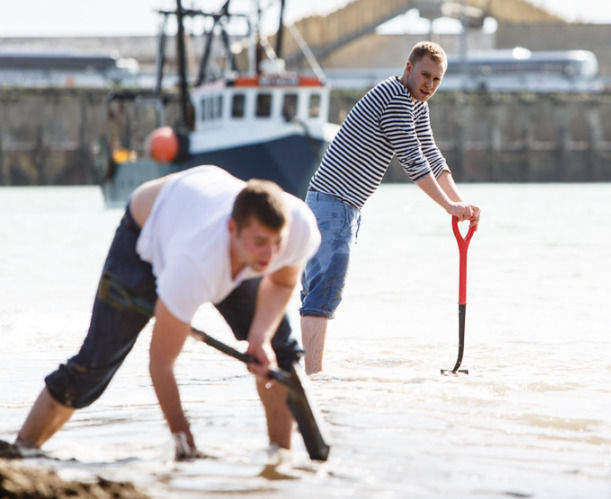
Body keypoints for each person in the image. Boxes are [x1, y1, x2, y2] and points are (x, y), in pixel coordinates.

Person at [14, 165, 321, 459]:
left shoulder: (298, 230)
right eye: (260, 242)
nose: (270, 254)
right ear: (234, 230)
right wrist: (184, 440)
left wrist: (260, 336)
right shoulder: (194, 265)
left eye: (276, 243)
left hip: (204, 213)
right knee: (96, 363)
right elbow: (161, 364)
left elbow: (281, 281)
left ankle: (279, 465)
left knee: (279, 355)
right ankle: (20, 452)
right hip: (147, 230)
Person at [299, 41, 481, 374]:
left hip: (340, 207)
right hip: (332, 205)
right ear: (409, 68)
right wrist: (448, 207)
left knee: (319, 295)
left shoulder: (416, 105)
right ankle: (314, 382)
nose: (429, 85)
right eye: (425, 75)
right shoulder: (395, 98)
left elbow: (432, 156)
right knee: (322, 296)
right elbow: (413, 160)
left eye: (437, 80)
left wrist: (460, 203)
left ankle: (308, 377)